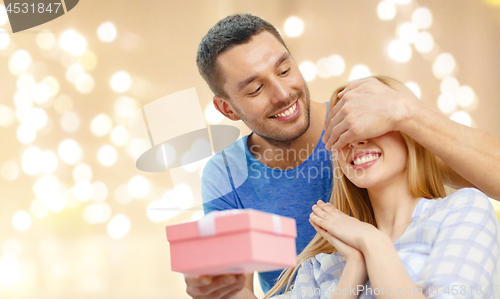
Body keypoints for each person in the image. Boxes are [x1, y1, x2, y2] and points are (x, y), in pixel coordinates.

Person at [186, 13, 500, 299]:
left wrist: (407, 113)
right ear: (227, 108)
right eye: (255, 89)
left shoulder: (377, 130)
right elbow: (233, 290)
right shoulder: (227, 176)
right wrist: (216, 289)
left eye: (284, 70)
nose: (282, 94)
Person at [262, 76, 500, 299]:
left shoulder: (463, 211)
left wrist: (374, 244)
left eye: (370, 122)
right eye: (342, 129)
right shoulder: (318, 267)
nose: (355, 138)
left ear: (411, 131)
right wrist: (354, 268)